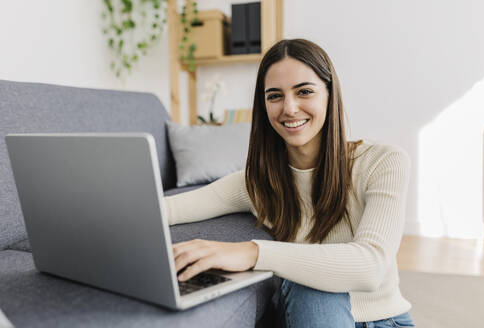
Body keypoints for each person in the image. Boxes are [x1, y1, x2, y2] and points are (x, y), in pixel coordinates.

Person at [165, 39, 415, 328]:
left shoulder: (383, 162)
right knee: (312, 287)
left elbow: (370, 267)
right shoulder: (257, 183)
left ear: (330, 95)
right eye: (274, 96)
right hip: (311, 312)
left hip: (388, 321)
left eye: (304, 91)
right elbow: (167, 209)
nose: (290, 108)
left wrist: (252, 252)